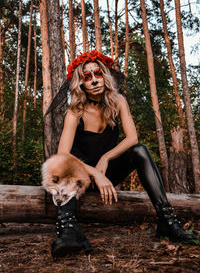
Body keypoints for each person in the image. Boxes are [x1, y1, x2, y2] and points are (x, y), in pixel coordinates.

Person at [48, 50, 196, 257]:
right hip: (79, 178)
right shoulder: (75, 110)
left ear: (105, 76)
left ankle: (167, 220)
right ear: (80, 84)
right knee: (58, 164)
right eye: (87, 77)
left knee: (140, 150)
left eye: (98, 73)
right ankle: (68, 231)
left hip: (107, 172)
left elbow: (132, 138)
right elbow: (63, 154)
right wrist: (95, 173)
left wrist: (105, 158)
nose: (94, 80)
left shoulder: (118, 101)